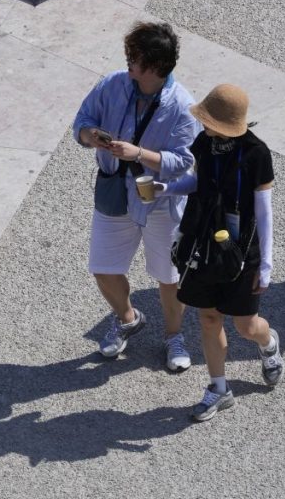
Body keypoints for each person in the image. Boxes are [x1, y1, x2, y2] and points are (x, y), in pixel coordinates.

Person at [71, 21, 198, 371]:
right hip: (115, 189)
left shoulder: (183, 106)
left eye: (135, 58)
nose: (128, 62)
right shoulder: (113, 84)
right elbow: (81, 120)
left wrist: (139, 154)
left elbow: (183, 161)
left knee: (169, 277)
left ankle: (174, 337)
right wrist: (89, 135)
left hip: (159, 199)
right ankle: (128, 319)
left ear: (155, 66)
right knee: (102, 268)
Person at [156, 84, 285, 421]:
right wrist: (166, 188)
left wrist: (266, 265)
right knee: (209, 317)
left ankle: (268, 343)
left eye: (208, 120)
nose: (203, 125)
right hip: (204, 244)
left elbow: (264, 212)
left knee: (246, 326)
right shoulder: (204, 143)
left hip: (241, 252)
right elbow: (197, 183)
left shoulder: (257, 153)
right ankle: (218, 389)